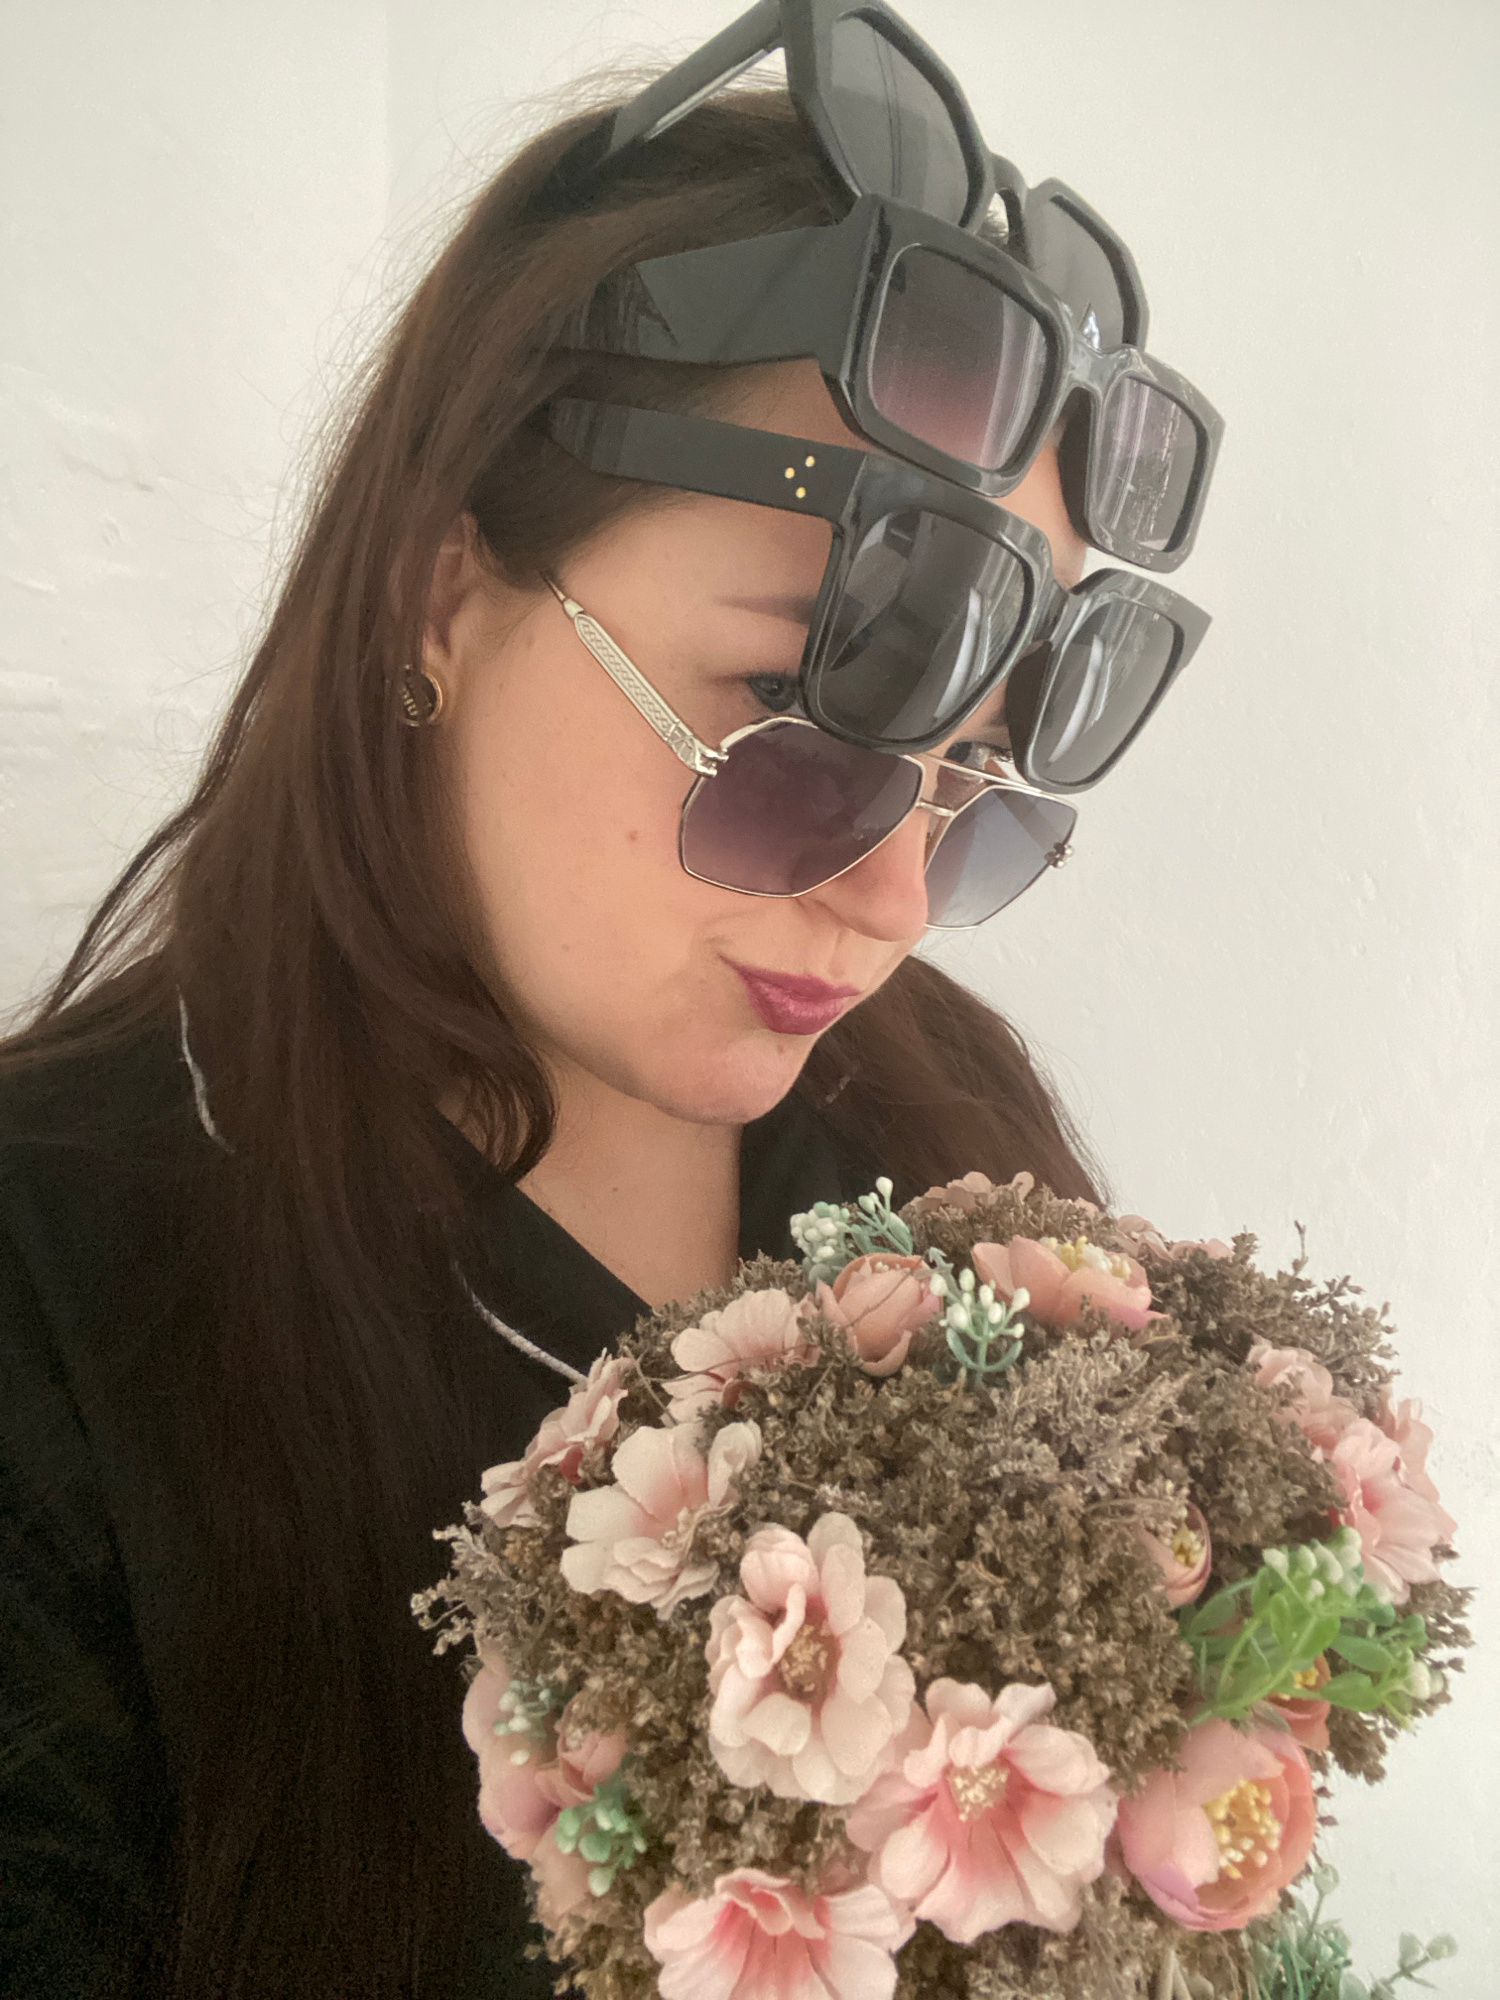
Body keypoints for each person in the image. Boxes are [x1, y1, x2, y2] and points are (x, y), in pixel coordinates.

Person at [0, 55, 1205, 1999]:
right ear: (440, 595)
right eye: (798, 722)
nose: (895, 904)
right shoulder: (54, 1287)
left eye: (976, 778)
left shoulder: (946, 1141)